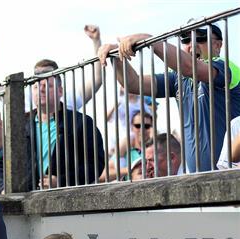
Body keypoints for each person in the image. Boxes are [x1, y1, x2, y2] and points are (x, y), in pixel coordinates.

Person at [98, 20, 240, 173]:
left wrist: (148, 40)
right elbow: (133, 83)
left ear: (218, 46)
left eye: (200, 38)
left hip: (230, 175)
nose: (192, 44)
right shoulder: (178, 78)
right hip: (197, 177)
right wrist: (116, 57)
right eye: (185, 39)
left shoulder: (226, 67)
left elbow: (189, 68)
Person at [0, 25, 104, 110]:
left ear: (59, 88)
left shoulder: (68, 99)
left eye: (47, 75)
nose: (42, 81)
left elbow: (97, 79)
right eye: (37, 76)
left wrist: (96, 41)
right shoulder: (24, 99)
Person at [28, 66, 105, 188]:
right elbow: (2, 162)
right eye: (36, 86)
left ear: (60, 91)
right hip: (27, 199)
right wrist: (3, 186)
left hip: (66, 199)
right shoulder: (22, 125)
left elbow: (95, 164)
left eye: (48, 86)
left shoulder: (81, 122)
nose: (41, 90)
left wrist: (61, 181)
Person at [101, 110, 153, 182]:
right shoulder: (124, 151)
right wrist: (129, 170)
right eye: (138, 126)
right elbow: (102, 176)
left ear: (151, 128)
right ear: (132, 127)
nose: (142, 130)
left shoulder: (158, 149)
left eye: (146, 126)